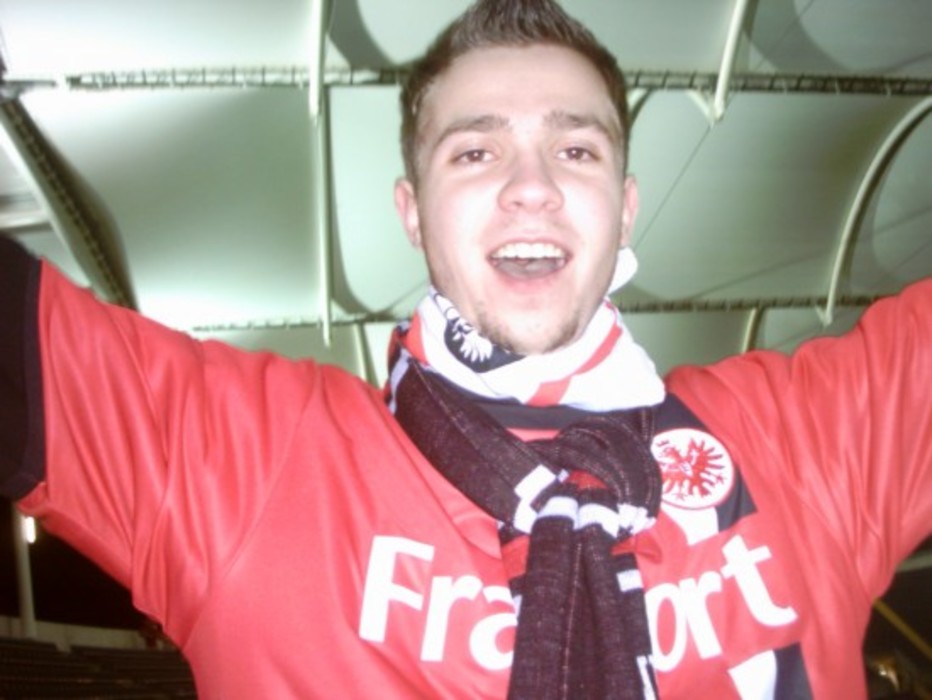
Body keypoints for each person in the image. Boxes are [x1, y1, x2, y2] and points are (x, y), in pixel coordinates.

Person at [1, 0, 929, 697]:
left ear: (624, 208)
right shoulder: (249, 461)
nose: (532, 186)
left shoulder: (811, 443)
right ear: (412, 213)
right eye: (475, 152)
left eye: (577, 150)